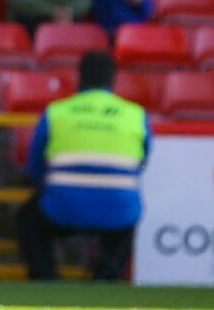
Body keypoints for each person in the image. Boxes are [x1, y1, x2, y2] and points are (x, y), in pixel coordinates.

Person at [17, 51, 151, 281]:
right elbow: (142, 161)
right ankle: (107, 276)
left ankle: (45, 279)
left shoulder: (56, 112)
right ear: (112, 79)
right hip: (117, 211)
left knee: (27, 219)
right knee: (127, 211)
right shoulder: (135, 115)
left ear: (79, 77)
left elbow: (34, 166)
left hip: (62, 208)